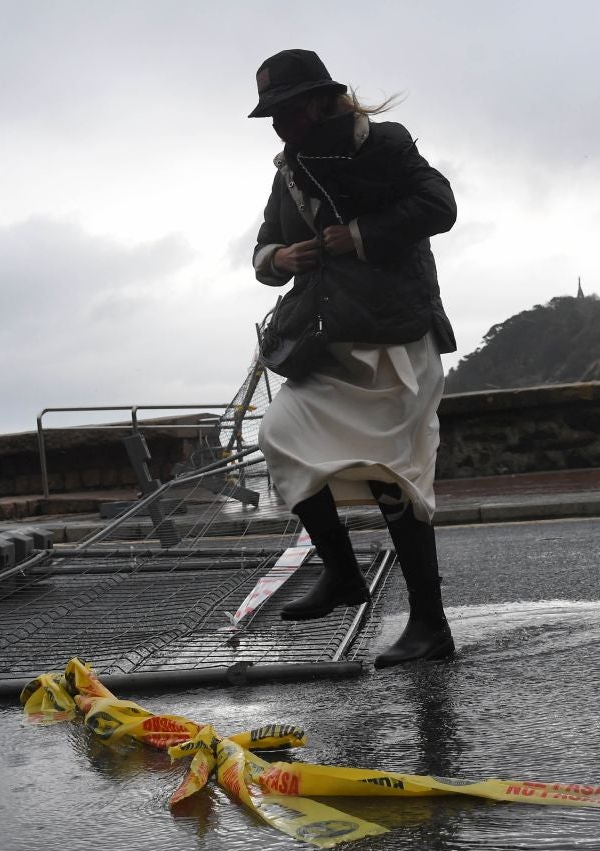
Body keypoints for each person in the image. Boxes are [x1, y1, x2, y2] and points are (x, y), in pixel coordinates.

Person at [248, 49, 458, 668]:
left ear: (316, 101)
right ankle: (342, 572)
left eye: (285, 110)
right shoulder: (288, 170)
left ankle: (430, 625)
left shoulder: (384, 145)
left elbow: (440, 207)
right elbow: (262, 246)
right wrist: (281, 260)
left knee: (396, 477)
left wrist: (361, 234)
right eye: (272, 115)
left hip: (396, 342)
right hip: (331, 343)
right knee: (280, 434)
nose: (279, 124)